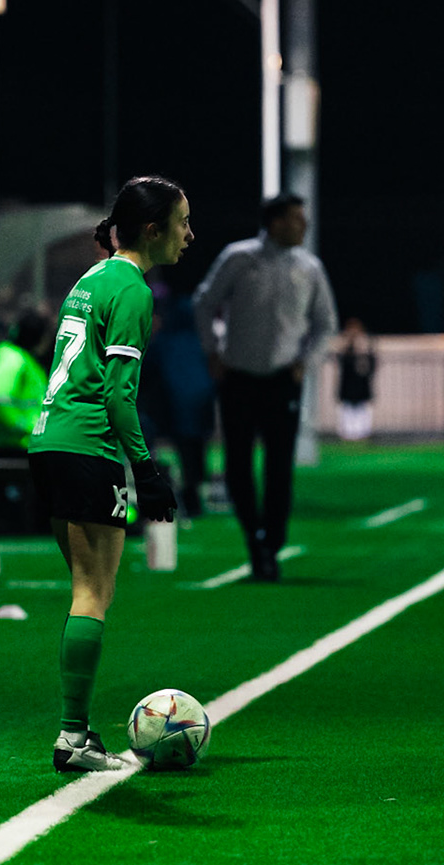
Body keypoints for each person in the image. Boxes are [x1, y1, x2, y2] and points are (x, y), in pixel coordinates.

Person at [28, 176, 192, 772]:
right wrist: (147, 469)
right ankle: (73, 737)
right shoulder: (132, 289)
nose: (188, 235)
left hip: (49, 440)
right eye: (181, 223)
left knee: (83, 592)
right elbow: (120, 397)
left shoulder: (91, 278)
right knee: (94, 594)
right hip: (87, 447)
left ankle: (78, 733)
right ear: (152, 230)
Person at [191, 193, 337, 581]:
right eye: (295, 219)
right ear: (274, 223)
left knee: (279, 467)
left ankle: (271, 540)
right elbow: (204, 302)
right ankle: (254, 538)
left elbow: (326, 324)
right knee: (238, 464)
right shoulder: (239, 258)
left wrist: (306, 363)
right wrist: (212, 351)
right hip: (238, 377)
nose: (303, 226)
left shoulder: (309, 268)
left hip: (281, 381)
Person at [138, 292, 215, 517]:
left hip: (177, 409)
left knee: (185, 452)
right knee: (198, 451)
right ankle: (198, 493)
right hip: (201, 407)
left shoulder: (165, 341)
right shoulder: (200, 341)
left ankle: (190, 496)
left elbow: (147, 369)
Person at [0, 310, 51, 455]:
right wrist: (25, 427)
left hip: (16, 443)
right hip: (9, 445)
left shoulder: (21, 359)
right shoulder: (12, 358)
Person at [335, 318, 377, 442]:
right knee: (347, 412)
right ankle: (347, 434)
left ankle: (363, 434)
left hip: (362, 386)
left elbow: (372, 365)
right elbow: (341, 362)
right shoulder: (345, 347)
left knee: (362, 412)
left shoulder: (366, 346)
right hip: (348, 386)